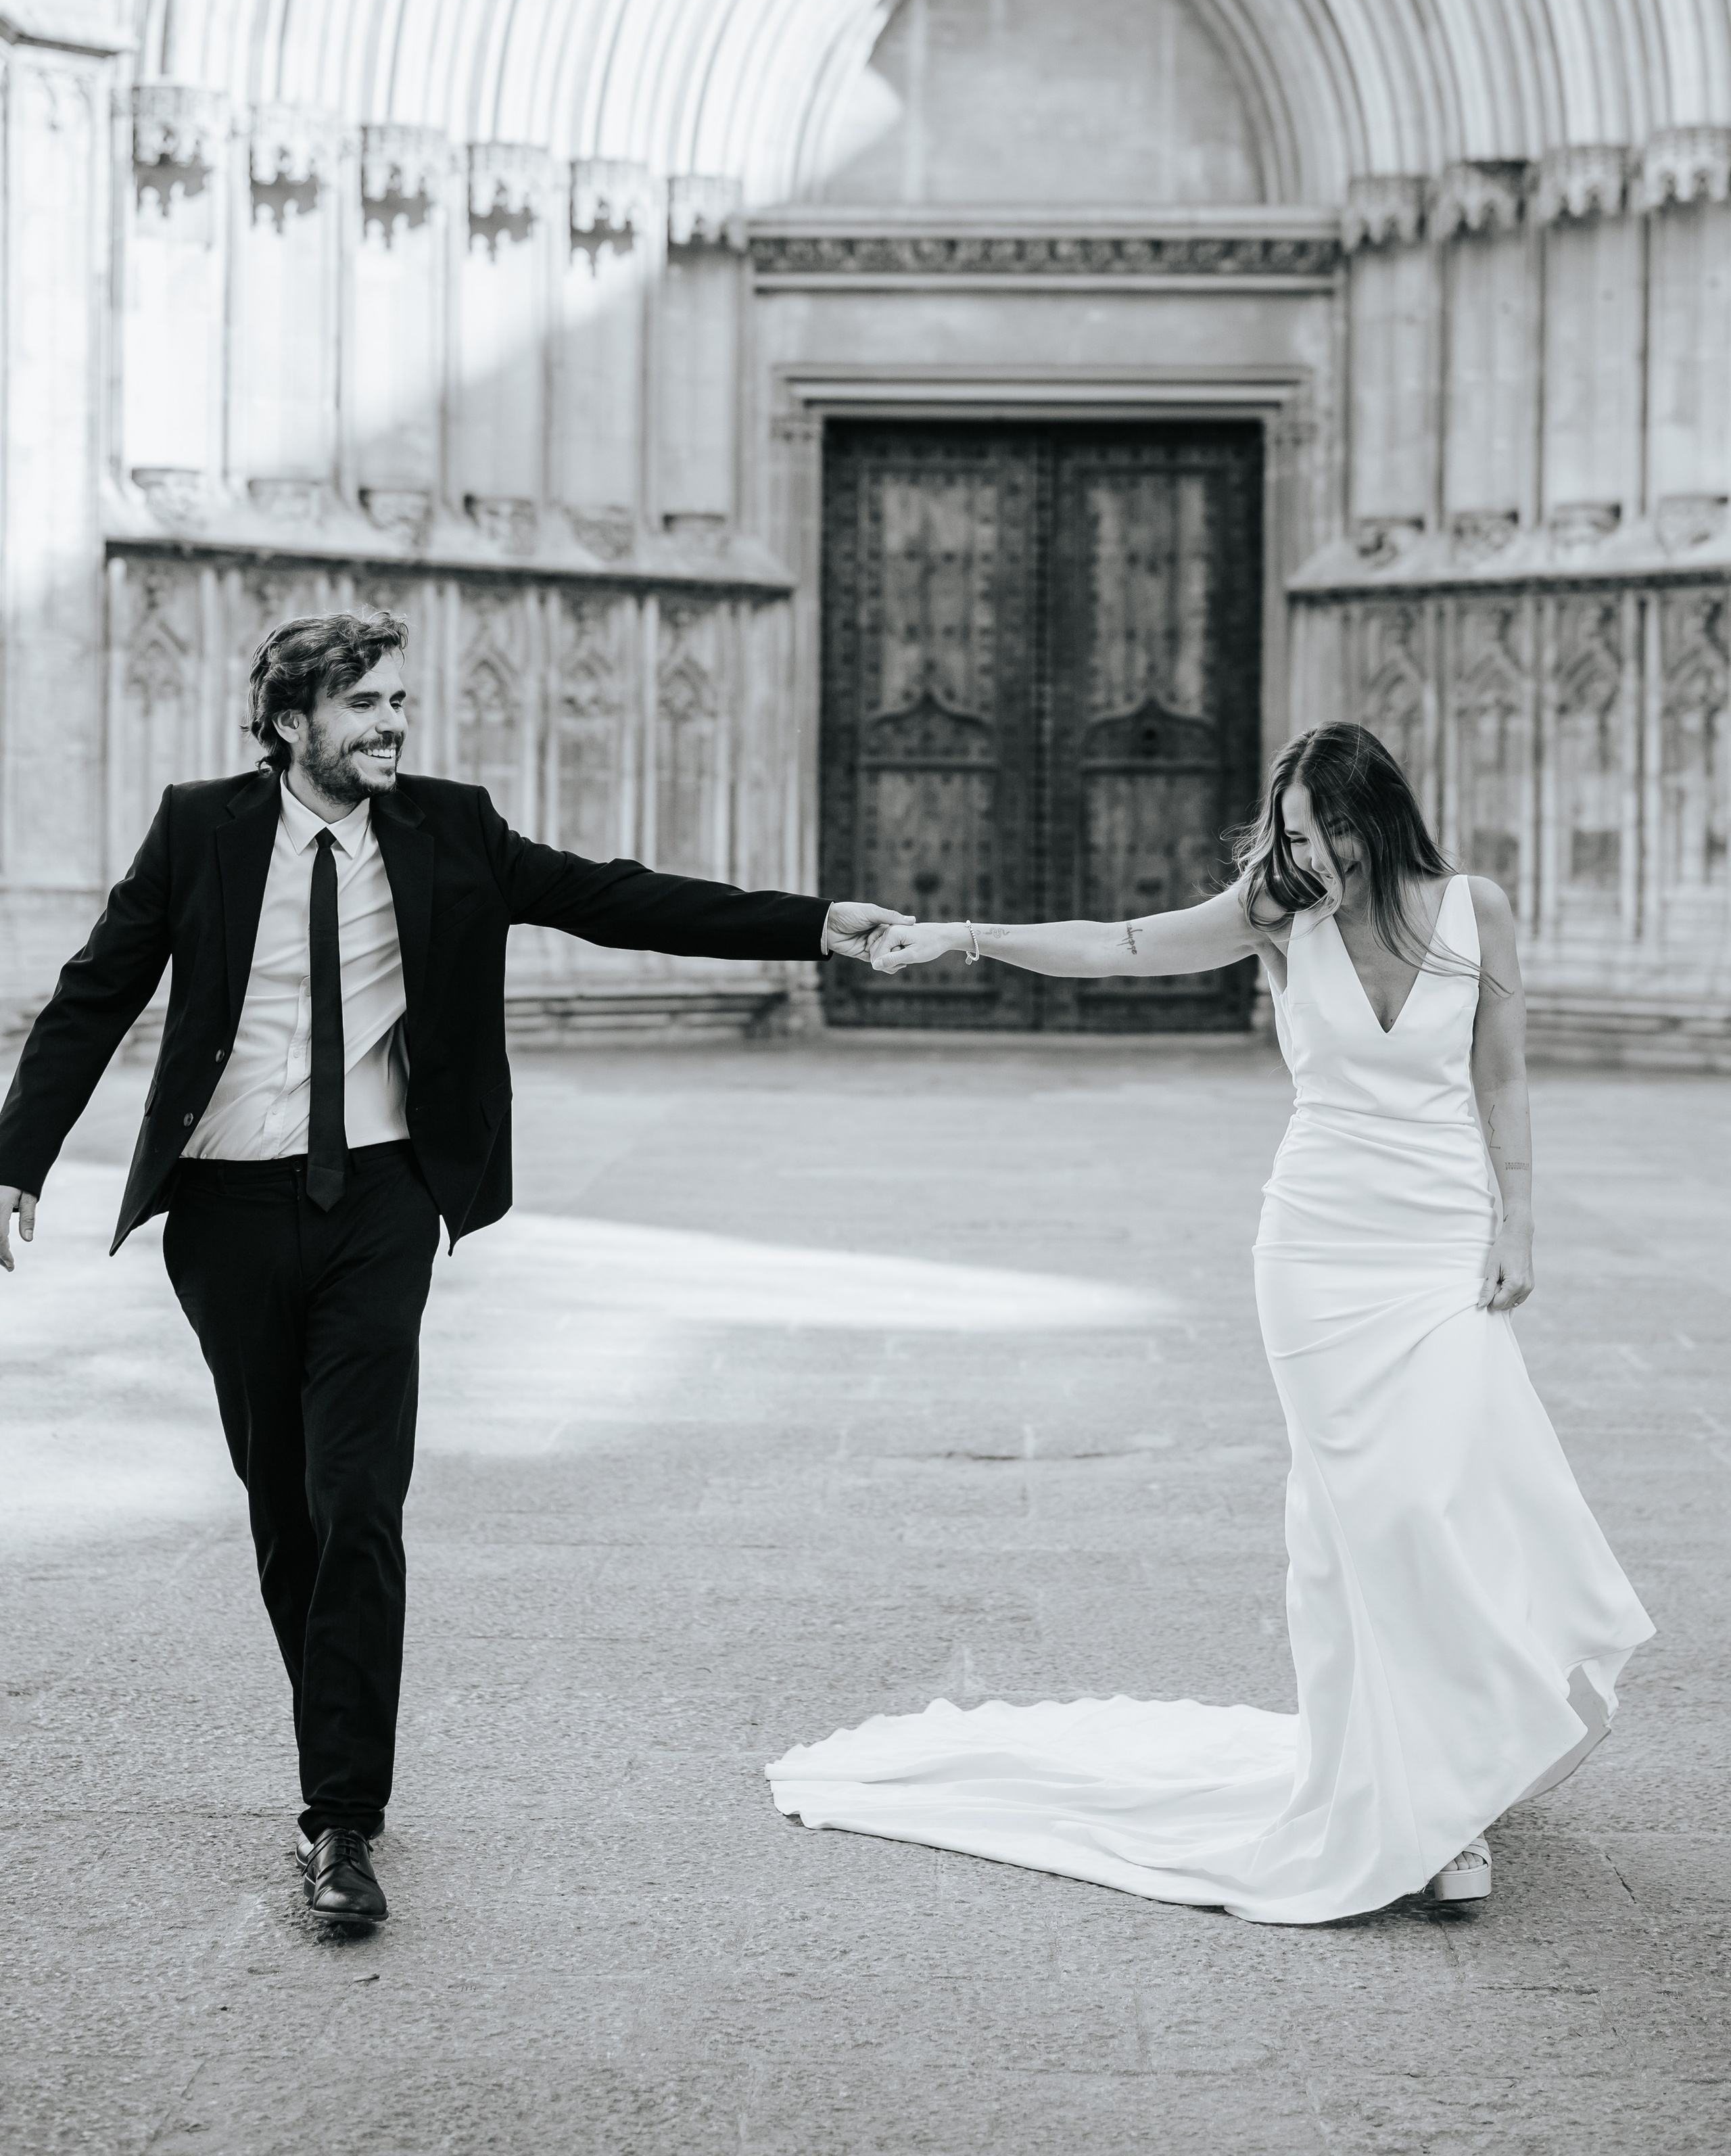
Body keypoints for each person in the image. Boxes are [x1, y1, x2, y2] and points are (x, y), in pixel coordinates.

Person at [0, 612, 905, 1927]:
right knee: (286, 1509)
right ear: (289, 720)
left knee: (358, 1496)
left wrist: (817, 925)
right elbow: (97, 990)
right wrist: (17, 1155)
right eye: (363, 706)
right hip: (228, 1213)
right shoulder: (198, 828)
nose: (390, 728)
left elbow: (618, 897)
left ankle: (339, 1818)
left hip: (378, 1200)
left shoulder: (449, 828)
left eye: (398, 705)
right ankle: (334, 1762)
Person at [767, 722, 1653, 1923]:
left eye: (1330, 830)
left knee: (1435, 1503)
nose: (1312, 855)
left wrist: (1521, 1225)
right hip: (1315, 1254)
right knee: (1360, 1525)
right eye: (1292, 835)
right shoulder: (1279, 914)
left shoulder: (1475, 908)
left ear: (1378, 815)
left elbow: (1500, 1072)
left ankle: (1457, 1760)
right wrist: (965, 935)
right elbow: (1117, 945)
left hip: (1437, 1249)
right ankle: (1423, 1797)